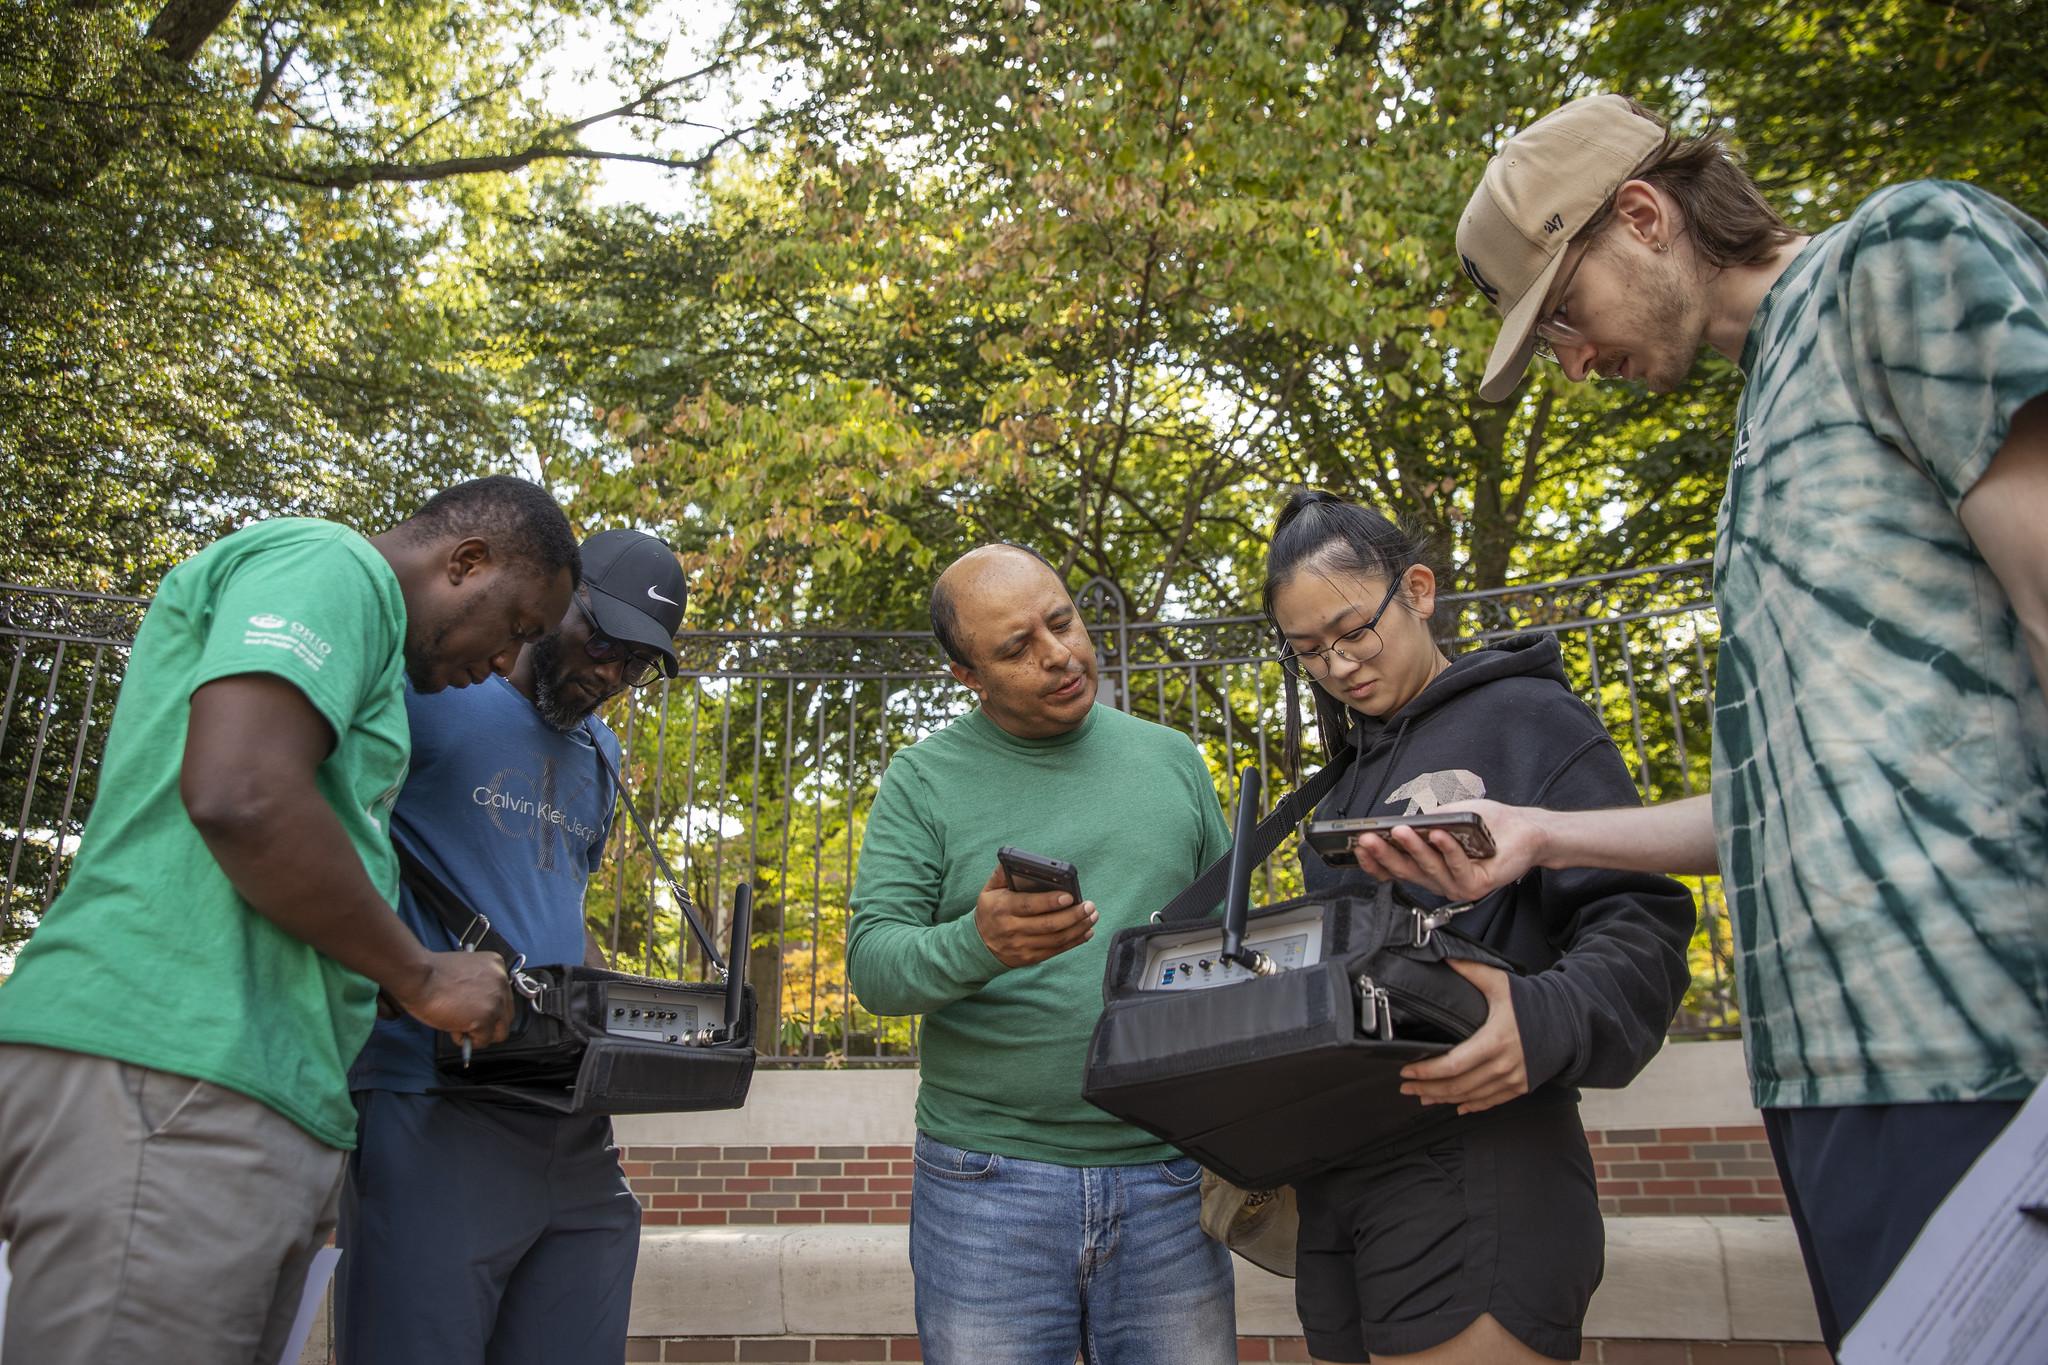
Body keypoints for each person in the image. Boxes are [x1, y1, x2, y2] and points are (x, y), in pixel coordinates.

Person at [1384, 93, 2048, 1349]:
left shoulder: (1901, 254)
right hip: (1834, 1081)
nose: (1570, 362)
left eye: (1563, 316)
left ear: (1641, 216)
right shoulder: (1759, 435)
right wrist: (1540, 835)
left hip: (1989, 1054)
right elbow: (1794, 804)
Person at [0, 476, 579, 1364]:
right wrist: (417, 974)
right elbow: (242, 793)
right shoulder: (332, 564)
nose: (509, 664)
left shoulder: (376, 667)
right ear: (467, 562)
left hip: (247, 1090)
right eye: (521, 627)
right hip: (176, 1066)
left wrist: (363, 977)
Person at [1261, 490, 1693, 1365]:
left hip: (1484, 1162)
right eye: (1309, 651)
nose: (1337, 666)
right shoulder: (1344, 783)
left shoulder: (1529, 719)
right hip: (1347, 1180)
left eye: (1354, 631)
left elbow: (1642, 920)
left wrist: (1543, 1019)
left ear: (1418, 590)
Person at [846, 543, 1237, 1365]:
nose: (1058, 654)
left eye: (1061, 622)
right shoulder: (922, 781)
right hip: (986, 1186)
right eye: (1016, 647)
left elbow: (1232, 941)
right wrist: (978, 943)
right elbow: (873, 964)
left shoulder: (1172, 760)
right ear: (966, 675)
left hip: (1170, 1174)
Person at [334, 529, 687, 1365]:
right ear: (554, 596)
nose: (611, 674)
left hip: (570, 1118)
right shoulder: (427, 684)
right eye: (603, 639)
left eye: (636, 663)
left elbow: (554, 897)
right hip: (432, 1090)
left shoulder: (601, 751)